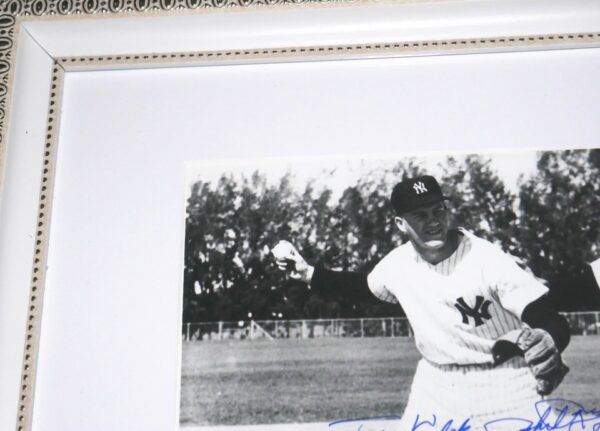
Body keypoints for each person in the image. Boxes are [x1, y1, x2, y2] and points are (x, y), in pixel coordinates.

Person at [272, 175, 571, 430]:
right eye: (420, 215)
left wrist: (548, 336)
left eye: (437, 210)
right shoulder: (397, 264)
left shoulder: (487, 259)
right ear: (401, 223)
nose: (433, 222)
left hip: (507, 381)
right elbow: (365, 287)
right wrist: (308, 273)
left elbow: (545, 314)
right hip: (437, 384)